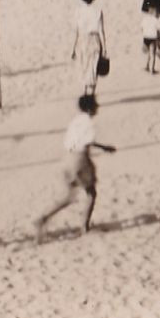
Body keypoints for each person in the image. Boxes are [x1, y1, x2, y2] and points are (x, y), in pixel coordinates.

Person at [35, 95, 116, 238]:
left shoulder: (75, 121)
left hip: (67, 158)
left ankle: (43, 218)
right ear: (91, 108)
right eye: (96, 105)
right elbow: (87, 142)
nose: (98, 107)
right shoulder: (89, 123)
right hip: (80, 160)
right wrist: (105, 148)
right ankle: (85, 226)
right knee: (91, 193)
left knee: (69, 196)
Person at [70, 0, 107, 96]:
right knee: (93, 68)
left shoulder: (78, 11)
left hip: (82, 40)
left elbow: (75, 31)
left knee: (83, 68)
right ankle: (91, 95)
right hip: (94, 40)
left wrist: (72, 48)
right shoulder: (98, 11)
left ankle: (85, 93)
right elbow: (101, 31)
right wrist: (104, 48)